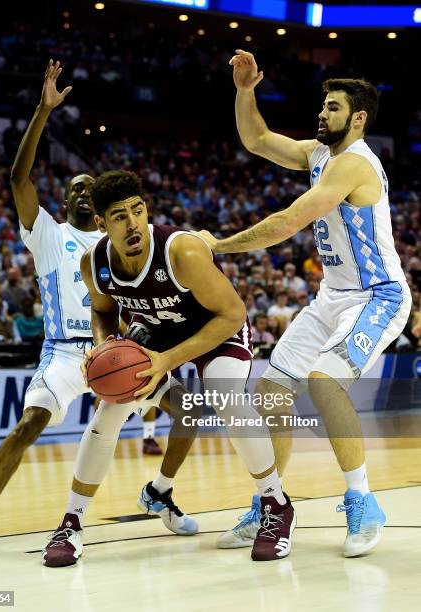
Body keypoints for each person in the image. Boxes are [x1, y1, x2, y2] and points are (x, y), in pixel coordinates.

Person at [200, 49, 411, 557]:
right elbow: (255, 139)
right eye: (322, 105)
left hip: (377, 295)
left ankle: (363, 501)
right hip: (331, 297)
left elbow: (290, 222)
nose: (322, 113)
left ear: (357, 118)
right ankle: (271, 503)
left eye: (333, 107)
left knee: (324, 380)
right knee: (272, 388)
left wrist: (219, 246)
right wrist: (245, 91)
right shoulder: (318, 155)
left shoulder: (355, 164)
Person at [41, 170, 294, 568]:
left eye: (137, 211)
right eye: (120, 216)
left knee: (224, 395)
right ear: (101, 223)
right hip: (155, 328)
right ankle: (71, 522)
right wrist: (105, 344)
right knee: (109, 410)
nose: (132, 223)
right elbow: (103, 312)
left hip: (213, 327)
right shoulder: (95, 262)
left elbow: (232, 314)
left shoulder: (182, 251)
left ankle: (276, 505)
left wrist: (168, 361)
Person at [0, 60, 101, 558]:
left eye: (89, 188)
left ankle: (161, 492)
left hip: (111, 352)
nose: (82, 192)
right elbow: (18, 177)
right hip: (62, 354)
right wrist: (42, 110)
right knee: (26, 426)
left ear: (100, 201)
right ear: (64, 198)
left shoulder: (116, 244)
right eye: (75, 187)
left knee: (180, 410)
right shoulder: (49, 235)